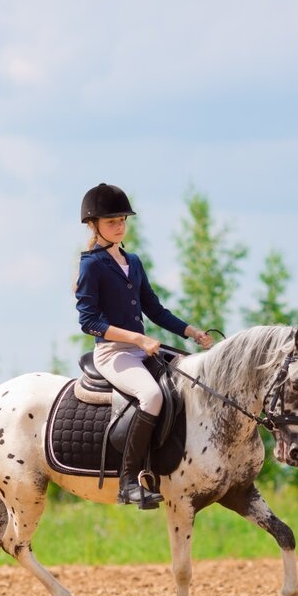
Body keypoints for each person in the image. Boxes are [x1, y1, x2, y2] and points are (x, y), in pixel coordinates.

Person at [74, 183, 213, 509]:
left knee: (188, 383)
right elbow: (88, 321)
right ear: (94, 225)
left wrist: (190, 332)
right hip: (112, 353)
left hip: (141, 349)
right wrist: (137, 338)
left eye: (123, 220)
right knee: (150, 396)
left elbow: (155, 310)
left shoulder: (132, 261)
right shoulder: (91, 265)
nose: (119, 226)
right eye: (112, 222)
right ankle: (128, 483)